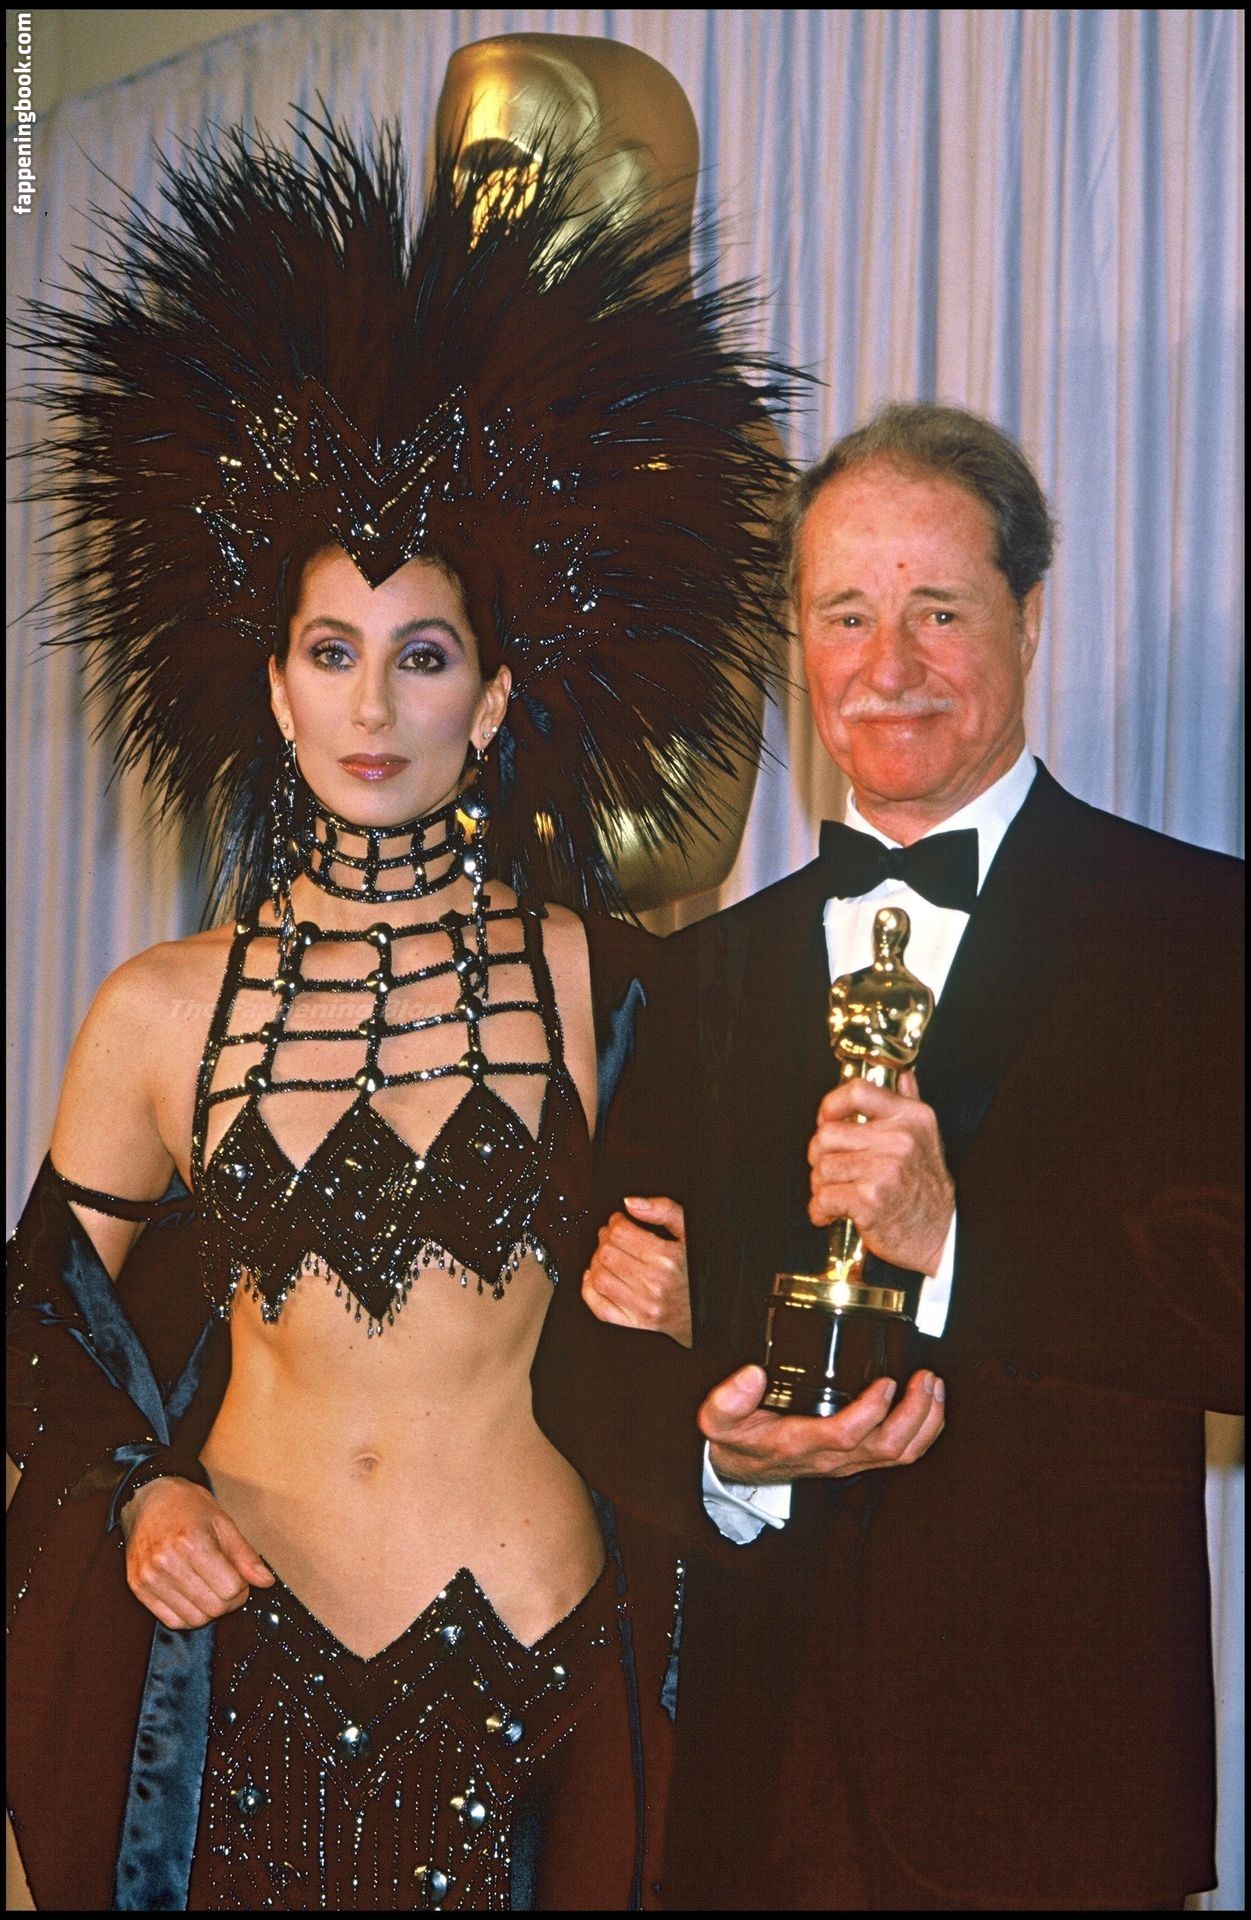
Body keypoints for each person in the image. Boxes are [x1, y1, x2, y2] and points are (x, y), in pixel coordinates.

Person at [5, 116, 792, 1911]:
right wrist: (136, 1494)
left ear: (492, 700)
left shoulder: (604, 979)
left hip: (532, 1675)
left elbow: (749, 1284)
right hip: (235, 1677)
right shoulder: (158, 1009)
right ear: (277, 692)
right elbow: (39, 1320)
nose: (374, 709)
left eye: (422, 656)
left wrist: (699, 1294)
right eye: (332, 654)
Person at [565, 403, 1244, 1910]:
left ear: (1029, 617)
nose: (889, 666)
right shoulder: (704, 972)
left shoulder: (1200, 931)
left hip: (1062, 1792)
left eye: (938, 610)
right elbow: (584, 1357)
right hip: (757, 1790)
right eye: (846, 615)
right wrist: (719, 1452)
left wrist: (959, 1246)